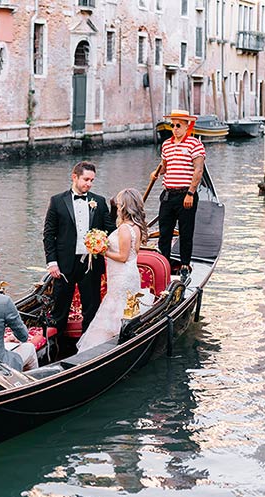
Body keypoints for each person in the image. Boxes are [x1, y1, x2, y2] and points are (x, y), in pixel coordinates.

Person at [43, 161, 117, 338]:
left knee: (91, 309)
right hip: (64, 264)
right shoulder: (57, 201)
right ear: (74, 177)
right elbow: (48, 234)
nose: (89, 184)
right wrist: (52, 263)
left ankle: (88, 346)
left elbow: (109, 230)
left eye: (92, 180)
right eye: (86, 179)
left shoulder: (98, 201)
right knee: (59, 309)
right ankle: (55, 346)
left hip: (90, 264)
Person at [76, 188, 148, 352]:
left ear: (125, 206)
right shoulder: (136, 226)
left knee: (116, 306)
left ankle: (109, 347)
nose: (117, 206)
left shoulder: (124, 228)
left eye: (119, 203)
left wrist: (101, 250)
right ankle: (123, 344)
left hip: (121, 274)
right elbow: (133, 253)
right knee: (124, 307)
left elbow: (123, 256)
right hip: (129, 272)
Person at [151, 109, 205, 281]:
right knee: (164, 231)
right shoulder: (166, 144)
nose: (175, 128)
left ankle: (184, 265)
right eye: (172, 125)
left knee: (185, 232)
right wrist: (157, 171)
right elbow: (164, 165)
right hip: (168, 195)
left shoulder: (195, 144)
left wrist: (190, 193)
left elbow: (198, 170)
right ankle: (164, 263)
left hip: (185, 194)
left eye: (178, 125)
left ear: (187, 125)